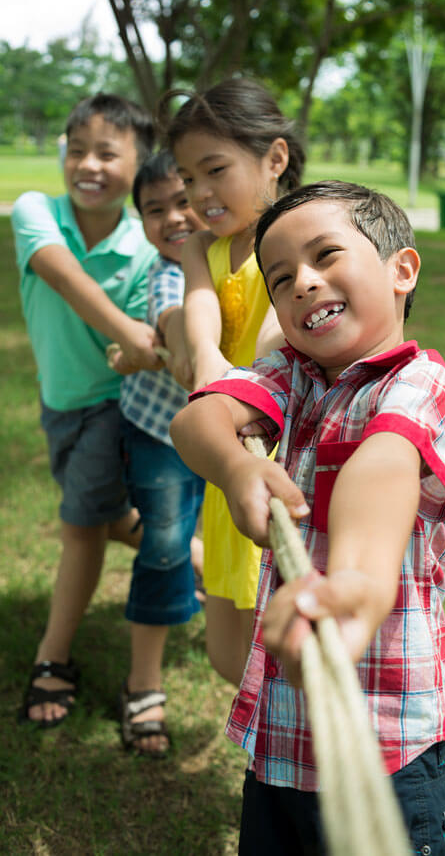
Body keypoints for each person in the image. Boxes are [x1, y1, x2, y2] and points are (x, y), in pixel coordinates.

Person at [170, 180, 445, 855]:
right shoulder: (291, 373)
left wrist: (358, 584)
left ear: (402, 269)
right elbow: (199, 419)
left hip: (388, 746)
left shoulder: (419, 382)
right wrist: (237, 464)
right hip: (280, 741)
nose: (303, 282)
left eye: (326, 255)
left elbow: (381, 465)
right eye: (281, 278)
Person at [12, 93, 161, 729]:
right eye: (77, 151)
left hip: (110, 404)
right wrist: (129, 332)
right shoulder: (34, 210)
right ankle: (190, 557)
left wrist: (136, 344)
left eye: (108, 152)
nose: (88, 165)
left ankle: (53, 659)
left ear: (140, 162)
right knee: (100, 516)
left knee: (79, 527)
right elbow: (58, 271)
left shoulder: (144, 248)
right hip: (60, 402)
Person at [161, 77, 305, 685]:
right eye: (189, 178)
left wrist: (253, 371)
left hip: (289, 457)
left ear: (274, 158)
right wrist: (202, 355)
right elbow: (199, 306)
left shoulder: (297, 229)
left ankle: (298, 763)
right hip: (231, 459)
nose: (199, 193)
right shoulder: (203, 247)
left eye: (215, 169)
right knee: (228, 656)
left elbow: (282, 323)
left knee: (286, 651)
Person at [113, 149, 207, 757]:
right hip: (160, 431)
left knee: (197, 537)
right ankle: (142, 684)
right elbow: (172, 317)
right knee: (166, 543)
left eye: (184, 200)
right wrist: (182, 352)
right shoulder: (167, 273)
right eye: (155, 210)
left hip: (219, 433)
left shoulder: (232, 259)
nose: (174, 218)